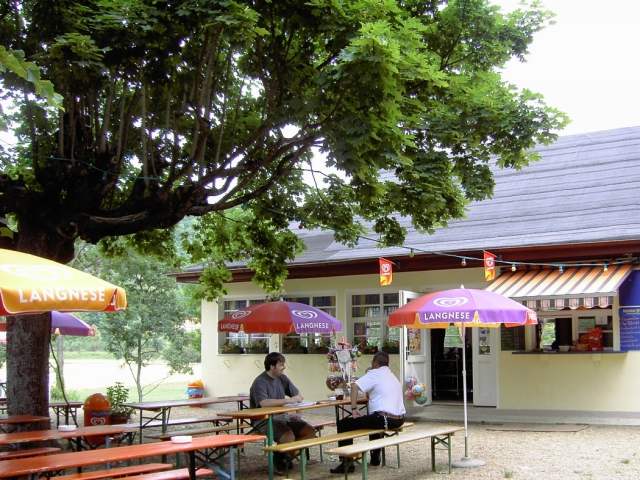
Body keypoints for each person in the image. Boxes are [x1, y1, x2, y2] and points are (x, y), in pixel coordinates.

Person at [330, 350, 405, 474]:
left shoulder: (375, 373)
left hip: (384, 419)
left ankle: (346, 462)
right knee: (372, 418)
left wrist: (354, 409)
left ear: (375, 363)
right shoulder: (391, 375)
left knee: (344, 424)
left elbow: (354, 386)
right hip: (399, 420)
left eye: (372, 361)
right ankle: (375, 457)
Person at [250, 352, 316, 473]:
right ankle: (280, 459)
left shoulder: (282, 378)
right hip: (263, 420)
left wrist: (298, 414)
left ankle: (284, 456)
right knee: (288, 435)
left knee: (310, 432)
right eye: (281, 365)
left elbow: (298, 395)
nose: (284, 367)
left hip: (283, 417)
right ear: (272, 366)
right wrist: (288, 400)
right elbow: (263, 403)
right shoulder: (260, 382)